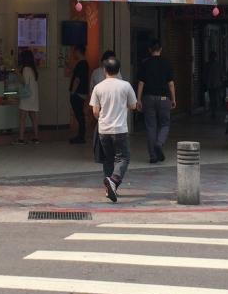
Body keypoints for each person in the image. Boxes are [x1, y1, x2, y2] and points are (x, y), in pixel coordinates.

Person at [90, 56, 138, 202]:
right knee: (123, 157)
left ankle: (109, 189)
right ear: (118, 70)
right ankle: (114, 180)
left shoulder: (98, 87)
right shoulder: (126, 86)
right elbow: (133, 105)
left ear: (104, 70)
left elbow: (95, 111)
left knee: (108, 159)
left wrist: (102, 117)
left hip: (103, 129)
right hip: (120, 129)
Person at [135, 40, 176, 163]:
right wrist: (173, 99)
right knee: (165, 124)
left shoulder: (145, 63)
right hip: (163, 98)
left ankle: (153, 156)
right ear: (161, 49)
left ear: (149, 50)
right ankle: (159, 143)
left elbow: (141, 83)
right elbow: (171, 83)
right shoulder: (166, 63)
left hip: (148, 98)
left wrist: (138, 99)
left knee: (151, 126)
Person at [16, 48, 40, 144]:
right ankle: (36, 138)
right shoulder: (33, 69)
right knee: (33, 117)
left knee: (22, 118)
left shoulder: (25, 69)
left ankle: (21, 139)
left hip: (27, 97)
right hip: (33, 96)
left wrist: (17, 72)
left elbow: (24, 82)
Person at [67, 46, 90, 145]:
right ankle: (81, 136)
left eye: (75, 52)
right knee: (80, 115)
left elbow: (77, 79)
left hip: (78, 93)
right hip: (82, 92)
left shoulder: (81, 64)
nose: (74, 54)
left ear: (78, 51)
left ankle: (81, 136)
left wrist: (73, 91)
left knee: (79, 115)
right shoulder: (84, 64)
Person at [204, 50, 226, 122]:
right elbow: (222, 75)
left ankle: (214, 111)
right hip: (216, 85)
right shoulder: (218, 65)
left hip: (213, 85)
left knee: (213, 99)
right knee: (214, 99)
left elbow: (205, 75)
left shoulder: (208, 65)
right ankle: (214, 111)